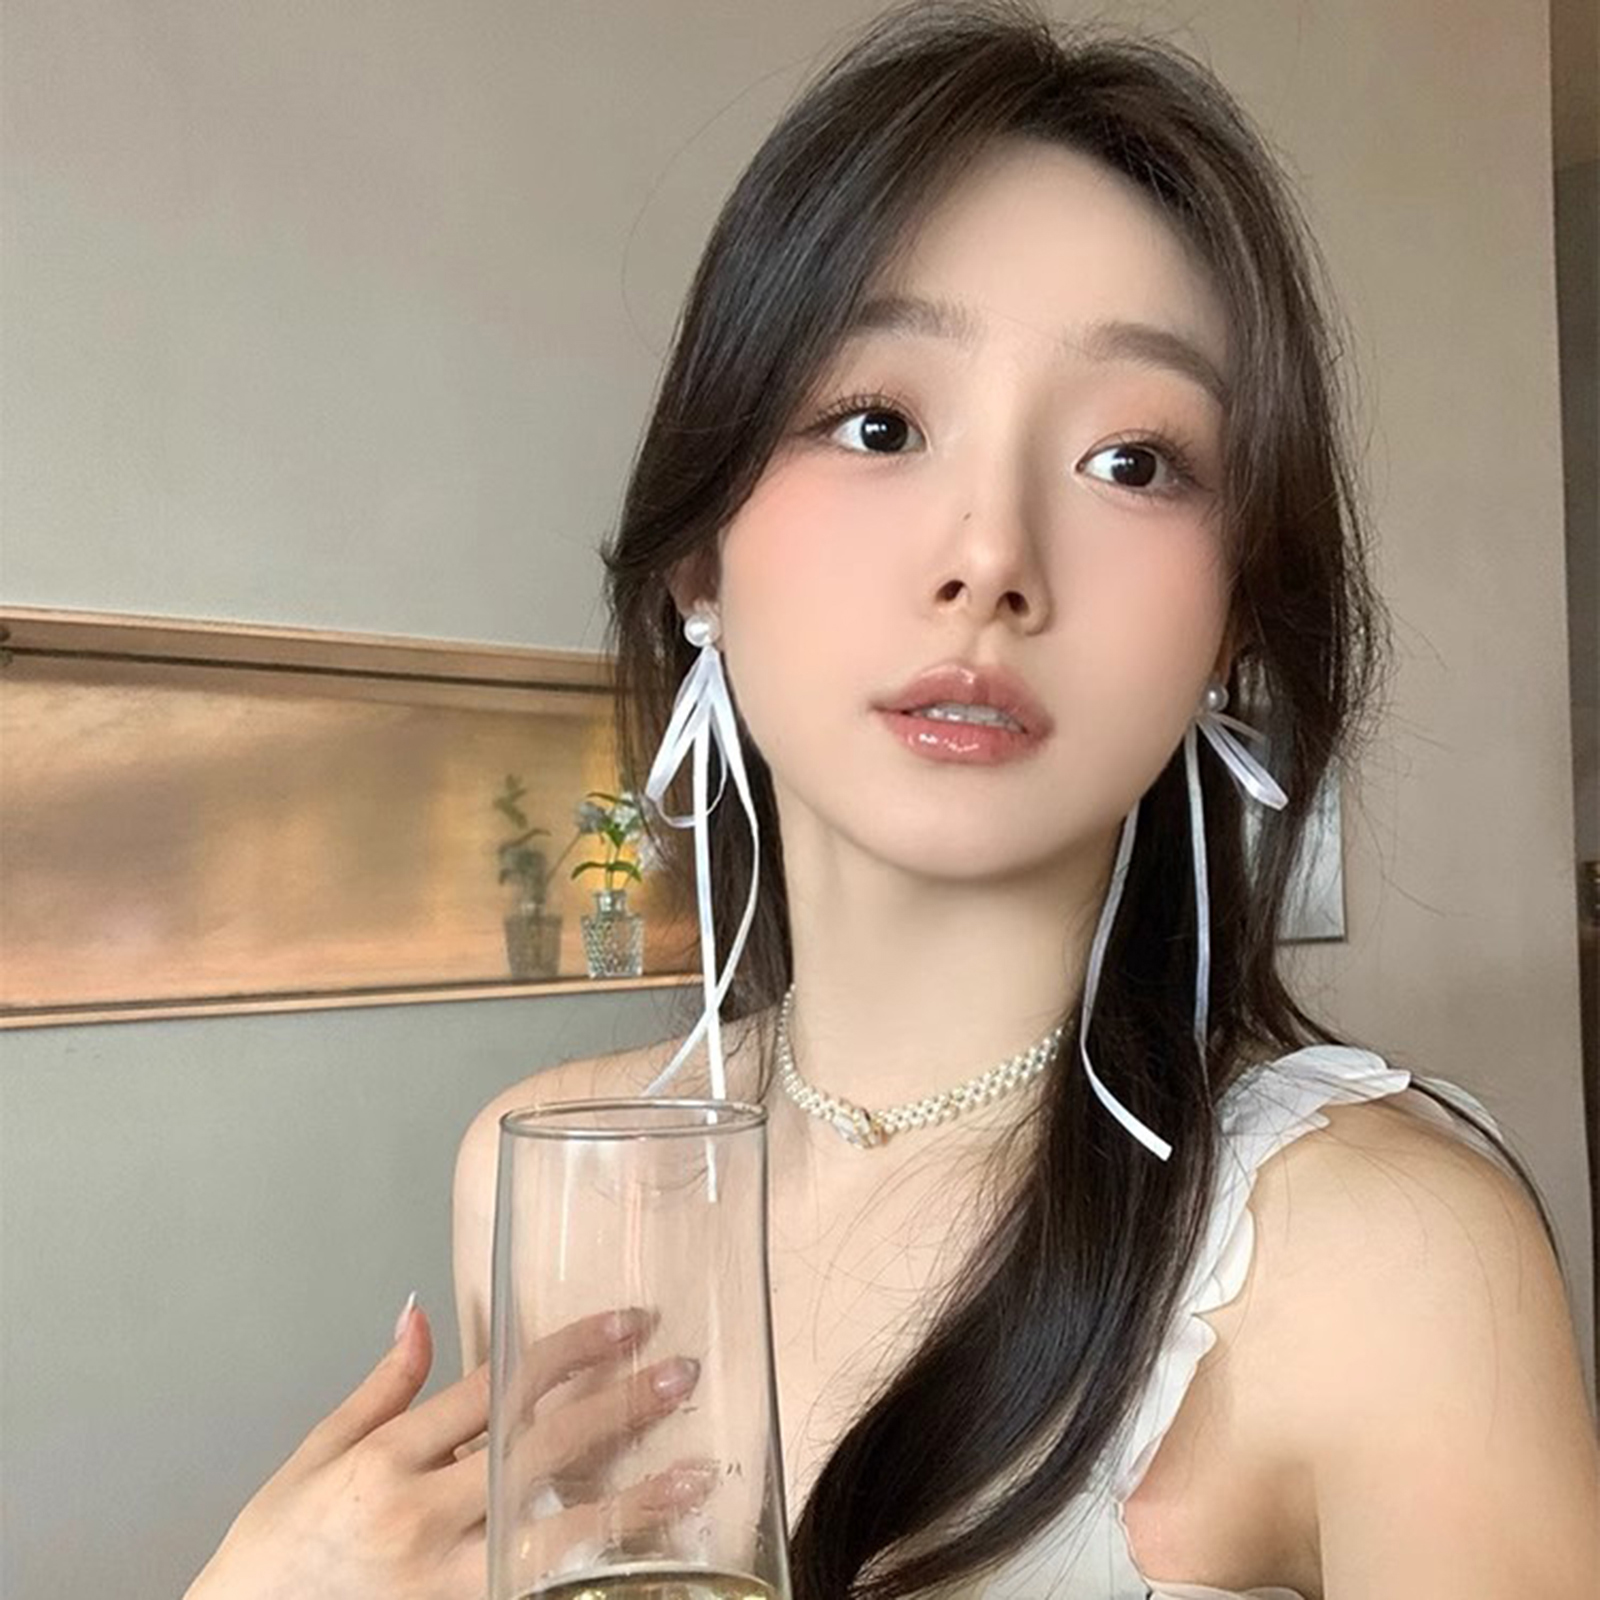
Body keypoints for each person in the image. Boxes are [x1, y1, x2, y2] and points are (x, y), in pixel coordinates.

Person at [185, 2, 1600, 1597]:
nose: (989, 556)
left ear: (1232, 624)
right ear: (698, 556)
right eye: (880, 425)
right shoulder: (553, 1170)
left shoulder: (1389, 1261)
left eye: (1133, 462)